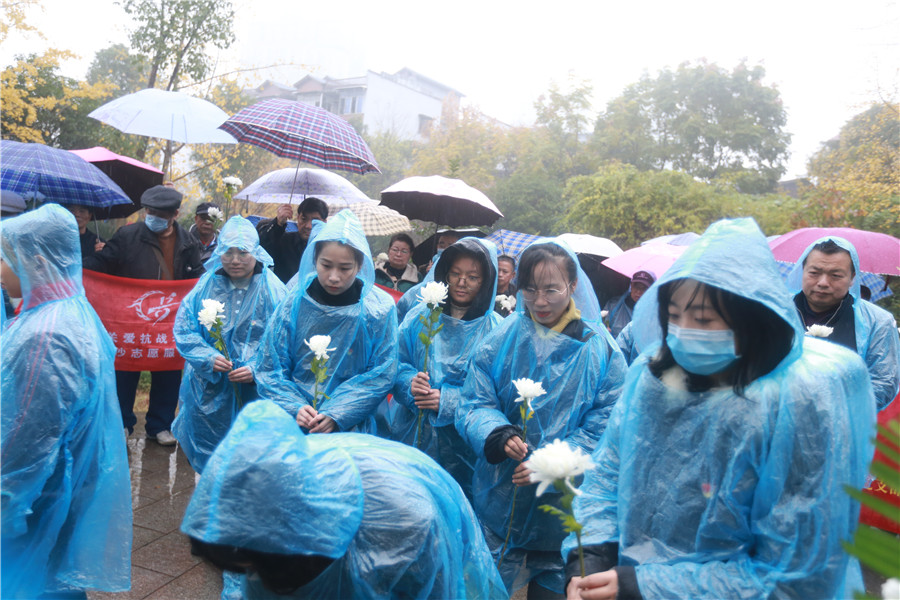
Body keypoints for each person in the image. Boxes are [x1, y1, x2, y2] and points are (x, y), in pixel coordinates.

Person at [564, 218, 875, 600]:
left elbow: (796, 574)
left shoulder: (797, 401)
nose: (683, 331)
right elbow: (609, 474)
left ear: (751, 319)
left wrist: (647, 586)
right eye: (674, 315)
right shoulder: (655, 379)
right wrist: (590, 555)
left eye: (703, 319)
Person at [182, 400, 507, 599]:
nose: (250, 574)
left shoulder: (404, 522)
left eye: (250, 564)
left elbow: (433, 590)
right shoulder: (270, 508)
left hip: (410, 499)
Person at [457, 239, 627, 597]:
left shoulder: (600, 350)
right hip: (502, 501)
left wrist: (551, 464)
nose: (540, 301)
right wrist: (498, 433)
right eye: (530, 289)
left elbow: (608, 426)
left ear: (573, 286)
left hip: (562, 512)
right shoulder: (504, 337)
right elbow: (474, 401)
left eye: (551, 289)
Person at [1, 204, 131, 599]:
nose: (0, 268)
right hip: (66, 484)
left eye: (6, 257)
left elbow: (27, 438)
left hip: (38, 494)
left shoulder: (45, 335)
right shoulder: (69, 310)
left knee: (33, 580)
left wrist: (7, 500)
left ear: (37, 262)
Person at [254, 209, 398, 435]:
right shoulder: (294, 302)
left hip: (353, 428)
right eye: (326, 265)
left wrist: (339, 413)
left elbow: (382, 372)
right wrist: (294, 405)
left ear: (360, 265)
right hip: (299, 424)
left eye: (345, 268)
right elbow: (270, 366)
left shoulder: (378, 309)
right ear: (314, 260)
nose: (333, 276)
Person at [84, 185, 203, 445]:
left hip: (169, 318)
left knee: (168, 370)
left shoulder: (188, 242)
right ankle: (122, 423)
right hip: (130, 317)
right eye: (150, 211)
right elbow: (104, 264)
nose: (153, 217)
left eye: (160, 214)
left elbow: (197, 277)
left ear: (175, 214)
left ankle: (160, 425)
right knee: (125, 369)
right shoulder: (128, 235)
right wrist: (83, 266)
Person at [172, 216, 286, 473]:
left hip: (256, 391)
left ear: (256, 252)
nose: (235, 260)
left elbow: (283, 338)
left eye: (243, 252)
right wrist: (207, 357)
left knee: (253, 457)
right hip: (209, 387)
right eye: (228, 252)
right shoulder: (206, 284)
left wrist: (257, 367)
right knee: (211, 456)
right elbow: (185, 329)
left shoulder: (272, 289)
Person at [392, 237, 502, 499]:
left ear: (486, 281)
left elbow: (497, 394)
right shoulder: (420, 315)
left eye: (472, 277)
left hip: (462, 448)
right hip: (412, 432)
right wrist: (410, 384)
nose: (462, 282)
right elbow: (395, 362)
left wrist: (448, 401)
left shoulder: (497, 330)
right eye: (455, 274)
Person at [788, 236, 899, 410]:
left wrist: (830, 408)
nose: (823, 283)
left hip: (844, 420)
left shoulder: (877, 322)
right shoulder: (774, 311)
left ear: (852, 277)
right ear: (803, 270)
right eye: (814, 273)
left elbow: (884, 382)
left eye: (836, 275)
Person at [256, 197, 328, 284]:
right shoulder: (284, 242)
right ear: (298, 218)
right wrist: (278, 224)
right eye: (304, 219)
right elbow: (261, 250)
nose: (308, 226)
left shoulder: (329, 248)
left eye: (315, 221)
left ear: (324, 222)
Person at [602, 270, 655, 338]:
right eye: (636, 286)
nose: (638, 291)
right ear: (631, 286)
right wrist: (604, 329)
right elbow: (602, 322)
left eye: (644, 288)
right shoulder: (613, 305)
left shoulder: (654, 314)